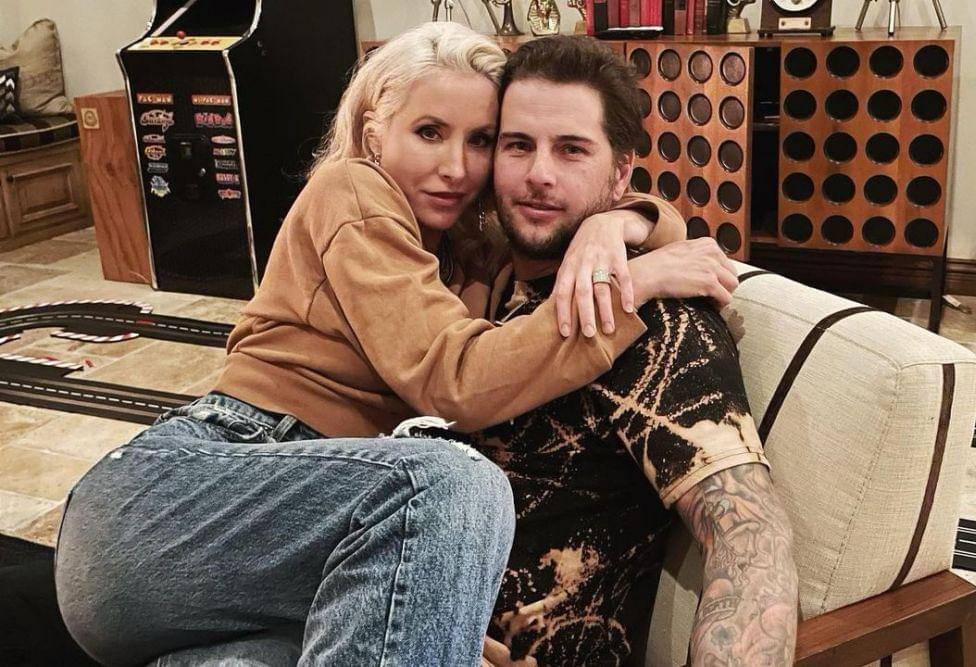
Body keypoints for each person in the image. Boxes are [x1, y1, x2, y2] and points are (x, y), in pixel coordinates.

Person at [53, 23, 736, 667]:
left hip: (273, 550)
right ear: (374, 132)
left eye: (480, 140)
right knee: (455, 486)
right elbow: (454, 380)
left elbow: (632, 217)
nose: (455, 167)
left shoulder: (470, 247)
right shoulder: (351, 191)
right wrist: (632, 282)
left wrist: (618, 224)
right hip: (164, 502)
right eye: (429, 132)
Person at [463, 36, 799, 666]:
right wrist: (631, 218)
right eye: (518, 145)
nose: (539, 173)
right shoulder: (481, 274)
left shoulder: (653, 322)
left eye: (572, 149)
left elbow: (750, 540)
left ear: (620, 174)